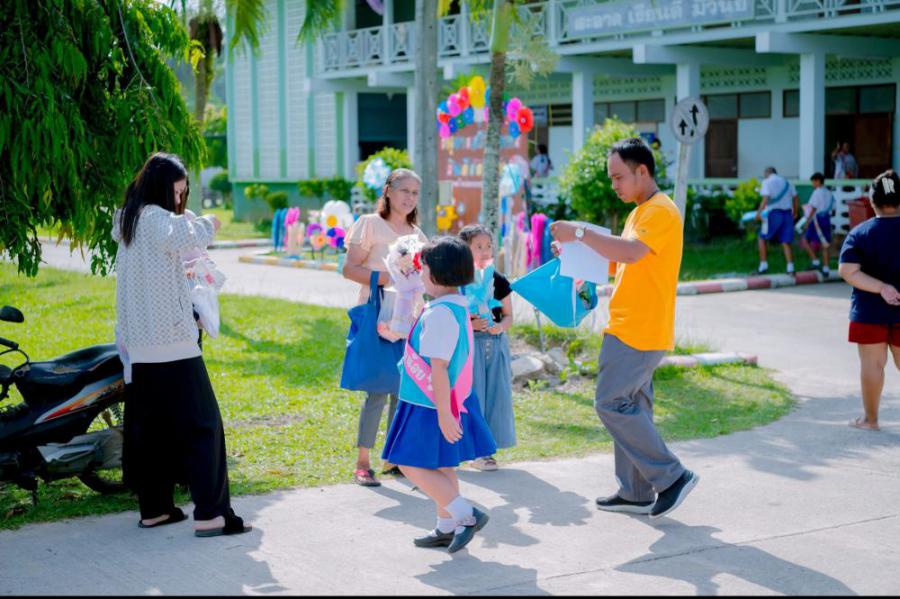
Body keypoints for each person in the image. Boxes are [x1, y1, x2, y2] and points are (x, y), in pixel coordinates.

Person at [550, 137, 698, 520]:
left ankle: (672, 477)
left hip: (637, 329)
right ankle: (635, 492)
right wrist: (573, 253)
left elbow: (630, 253)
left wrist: (579, 233)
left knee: (611, 403)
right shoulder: (641, 211)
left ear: (641, 171)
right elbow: (620, 262)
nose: (613, 184)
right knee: (633, 407)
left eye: (618, 177)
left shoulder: (659, 211)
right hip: (635, 326)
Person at [114, 152, 250, 537]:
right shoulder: (158, 219)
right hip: (173, 340)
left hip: (139, 344)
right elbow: (189, 235)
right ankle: (211, 514)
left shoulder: (127, 220)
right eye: (176, 191)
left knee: (152, 430)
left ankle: (155, 509)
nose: (179, 199)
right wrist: (212, 221)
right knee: (204, 426)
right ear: (161, 188)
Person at [381, 236, 496, 553]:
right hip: (437, 401)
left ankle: (466, 515)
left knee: (407, 462)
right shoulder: (454, 306)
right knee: (443, 465)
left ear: (435, 273)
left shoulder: (441, 314)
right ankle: (446, 527)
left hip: (429, 404)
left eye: (423, 267)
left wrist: (445, 413)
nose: (419, 273)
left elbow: (440, 366)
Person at [342, 168, 428, 487]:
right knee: (377, 389)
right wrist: (388, 278)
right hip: (376, 312)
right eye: (404, 190)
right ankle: (362, 463)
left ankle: (394, 458)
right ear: (388, 191)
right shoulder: (369, 224)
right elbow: (349, 268)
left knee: (402, 389)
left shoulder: (418, 235)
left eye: (415, 193)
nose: (410, 198)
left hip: (408, 318)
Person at [838, 170, 900, 432]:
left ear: (872, 202)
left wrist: (881, 287)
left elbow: (848, 271)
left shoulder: (860, 233)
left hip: (869, 311)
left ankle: (870, 420)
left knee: (872, 365)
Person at [459, 225, 515, 471]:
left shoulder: (498, 280)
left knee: (495, 397)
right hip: (469, 347)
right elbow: (449, 314)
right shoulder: (457, 281)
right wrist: (469, 324)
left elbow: (509, 316)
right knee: (473, 397)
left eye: (488, 246)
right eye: (478, 246)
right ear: (464, 249)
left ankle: (487, 450)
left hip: (496, 345)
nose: (484, 251)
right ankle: (471, 451)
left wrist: (500, 327)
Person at [755, 166, 800, 274]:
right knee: (786, 241)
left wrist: (758, 213)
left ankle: (763, 266)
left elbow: (765, 199)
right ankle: (790, 268)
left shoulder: (767, 182)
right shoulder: (787, 182)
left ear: (767, 173)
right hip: (787, 214)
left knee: (762, 238)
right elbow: (796, 197)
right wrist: (795, 212)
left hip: (773, 214)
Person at [798, 172, 834, 275]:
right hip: (826, 218)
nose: (813, 184)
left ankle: (815, 261)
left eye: (813, 182)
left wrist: (807, 222)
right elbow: (833, 208)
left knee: (806, 240)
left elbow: (813, 208)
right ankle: (825, 268)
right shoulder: (829, 192)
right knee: (825, 243)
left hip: (817, 219)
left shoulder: (817, 192)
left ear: (818, 181)